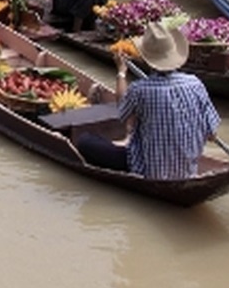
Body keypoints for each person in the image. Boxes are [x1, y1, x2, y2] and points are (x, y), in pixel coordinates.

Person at [75, 21, 221, 180]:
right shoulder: (195, 83)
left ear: (146, 59)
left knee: (84, 141)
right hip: (188, 170)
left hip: (147, 170)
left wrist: (121, 72)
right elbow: (212, 134)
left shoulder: (141, 89)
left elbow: (122, 109)